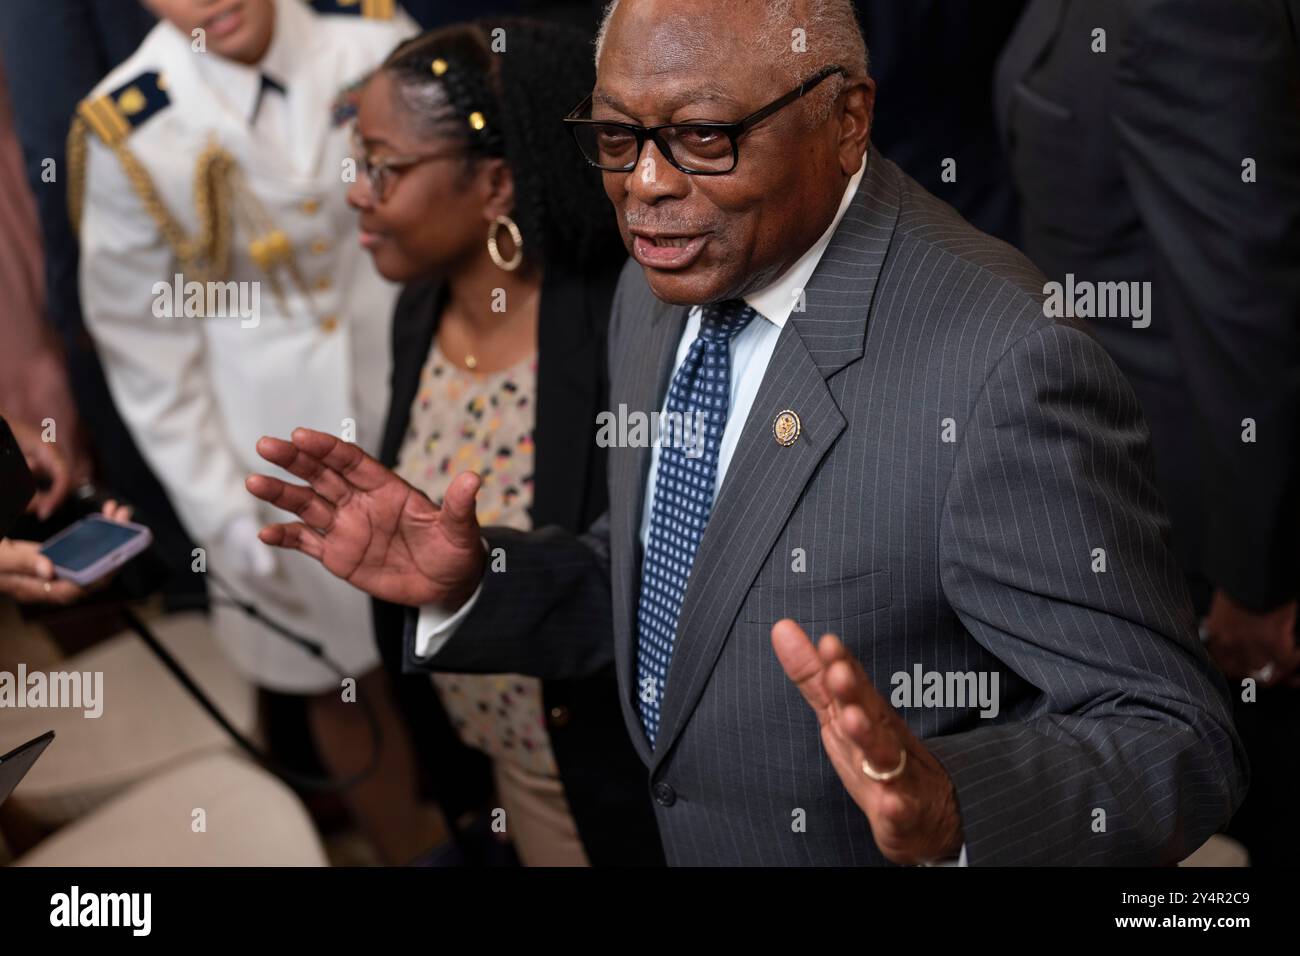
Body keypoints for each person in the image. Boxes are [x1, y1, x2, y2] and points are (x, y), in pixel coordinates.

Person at [250, 0, 1247, 865]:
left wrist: (955, 806)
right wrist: (477, 582)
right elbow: (669, 581)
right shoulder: (659, 282)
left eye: (702, 136)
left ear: (846, 119)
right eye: (615, 136)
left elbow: (1176, 735)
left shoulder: (1004, 367)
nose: (644, 183)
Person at [73, 0, 441, 863]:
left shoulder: (371, 37)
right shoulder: (128, 123)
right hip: (276, 447)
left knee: (483, 630)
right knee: (341, 682)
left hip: (422, 384)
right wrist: (219, 511)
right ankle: (417, 853)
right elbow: (146, 350)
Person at [346, 20, 662, 866]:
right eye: (357, 162)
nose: (357, 193)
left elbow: (640, 586)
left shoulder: (621, 324)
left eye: (384, 167)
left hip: (602, 776)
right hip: (493, 761)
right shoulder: (420, 308)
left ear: (495, 183)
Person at [997, 0, 1300, 863]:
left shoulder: (1189, 13)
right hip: (1110, 499)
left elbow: (1246, 305)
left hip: (1198, 541)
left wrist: (1255, 582)